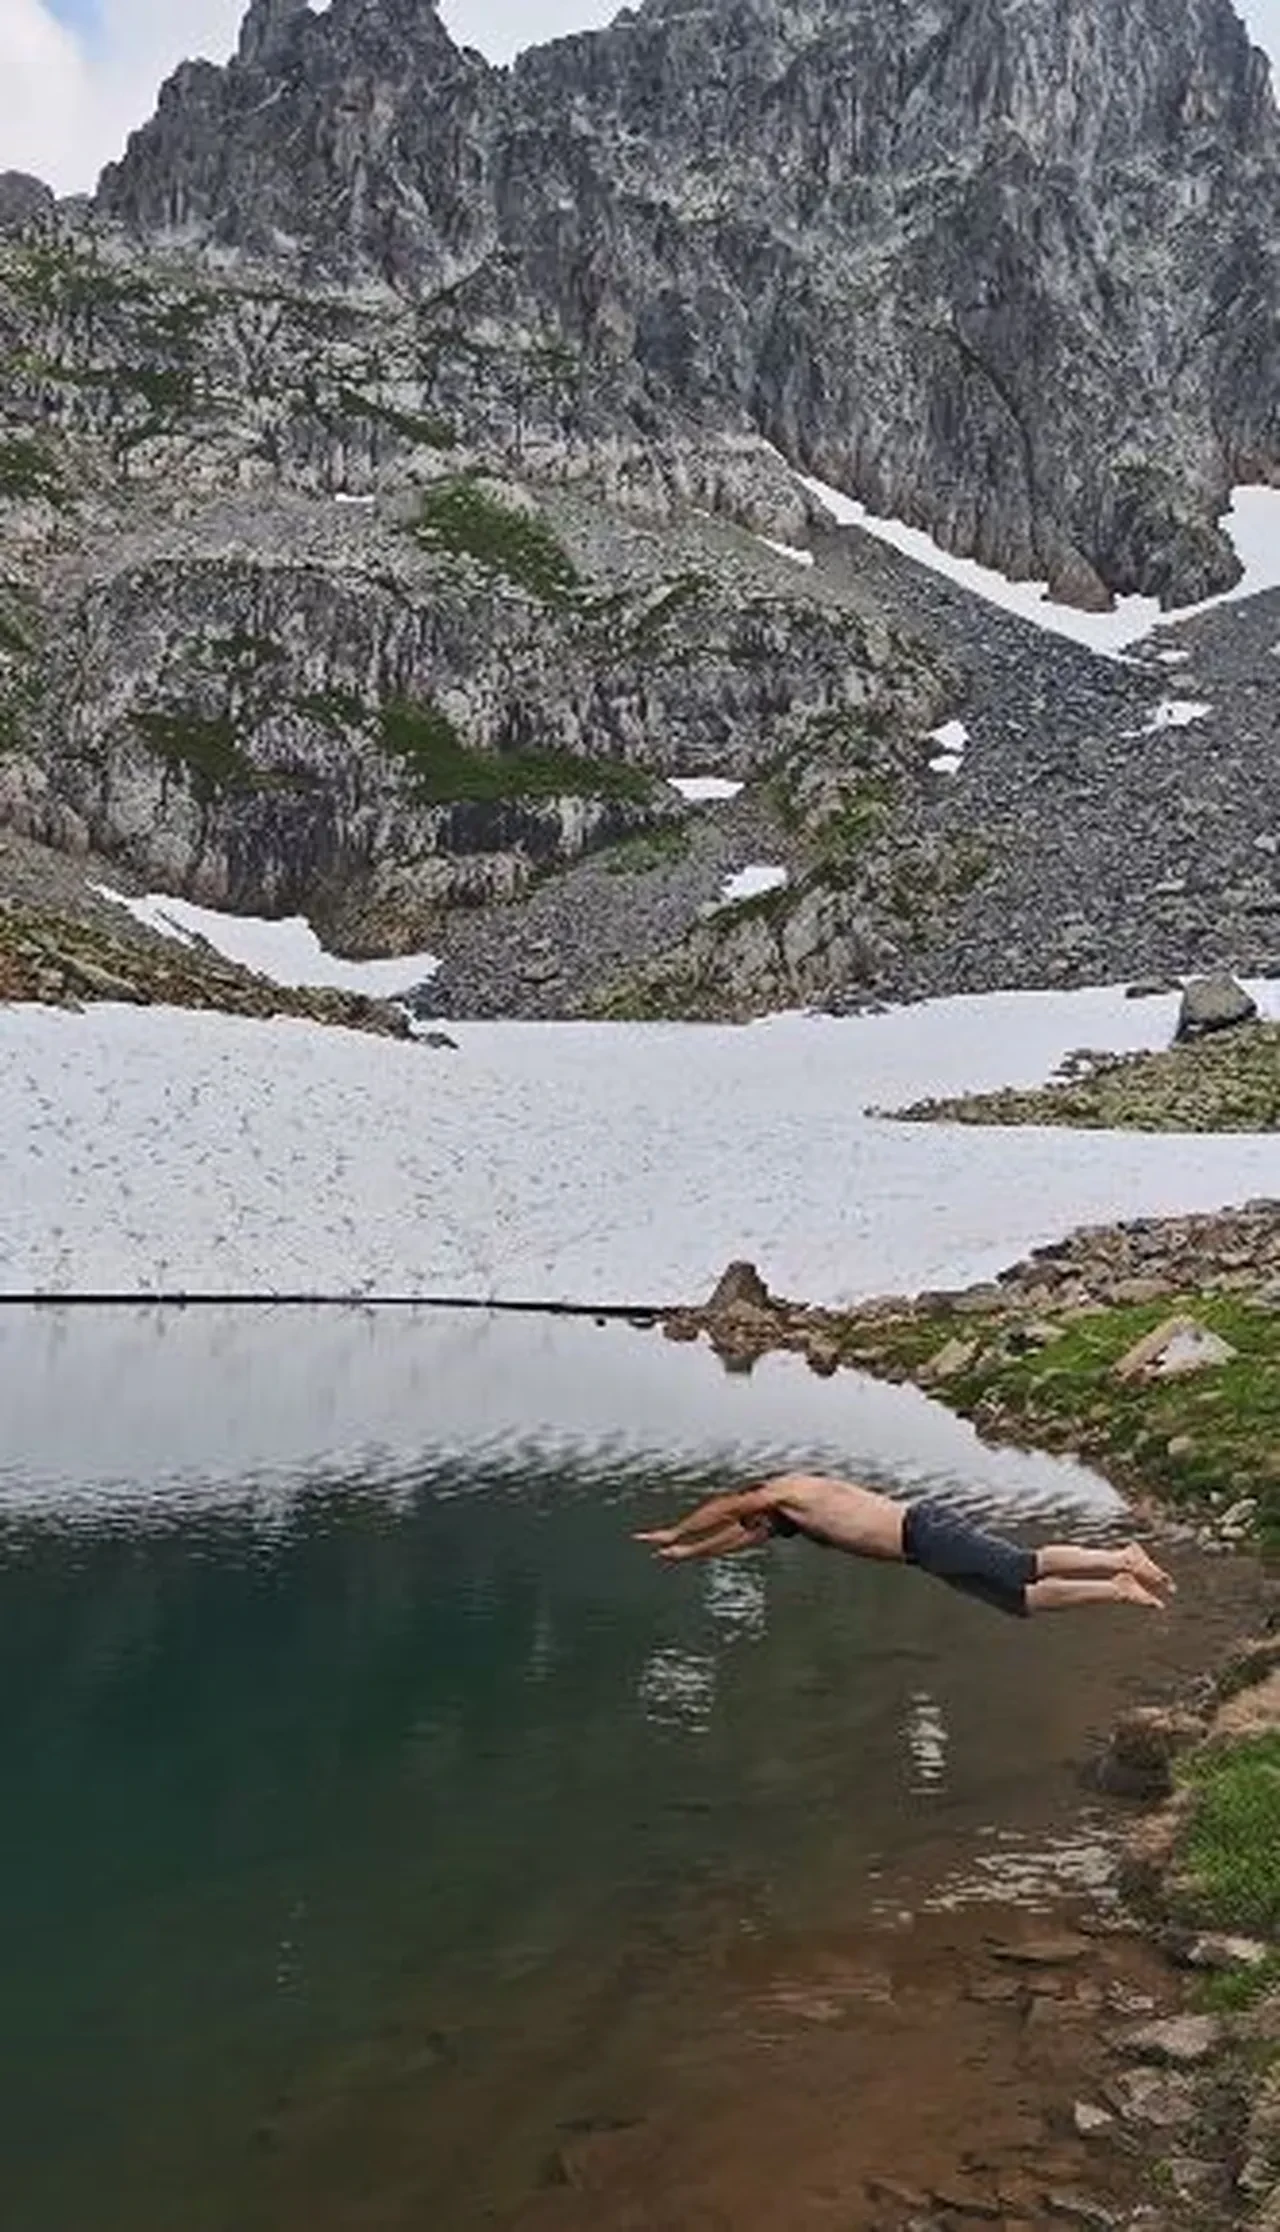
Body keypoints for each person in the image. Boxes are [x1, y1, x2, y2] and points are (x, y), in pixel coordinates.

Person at [635, 1473, 1176, 1617]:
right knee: (1019, 1602)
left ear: (759, 1494)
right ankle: (1118, 1588)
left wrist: (676, 1531)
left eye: (752, 1508)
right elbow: (741, 1535)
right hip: (922, 1552)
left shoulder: (789, 1491)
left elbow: (728, 1510)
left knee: (1020, 1566)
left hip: (925, 1530)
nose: (756, 1521)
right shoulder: (787, 1516)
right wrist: (688, 1555)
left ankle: (1119, 1558)